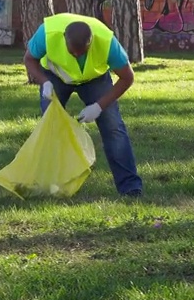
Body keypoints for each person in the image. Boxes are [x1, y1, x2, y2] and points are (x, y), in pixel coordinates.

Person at [23, 13, 144, 197]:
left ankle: (130, 187)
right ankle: (53, 184)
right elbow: (29, 59)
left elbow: (128, 78)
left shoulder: (106, 41)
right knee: (51, 127)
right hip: (56, 77)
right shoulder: (47, 33)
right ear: (64, 39)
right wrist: (44, 82)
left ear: (91, 41)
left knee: (113, 127)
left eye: (83, 51)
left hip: (94, 79)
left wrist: (99, 106)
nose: (78, 55)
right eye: (73, 52)